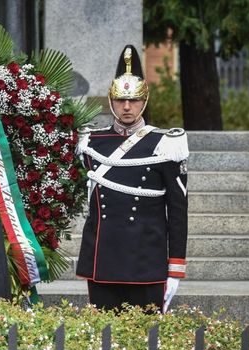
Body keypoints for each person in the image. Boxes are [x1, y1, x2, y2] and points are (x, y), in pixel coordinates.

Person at [75, 45, 189, 313]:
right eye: (120, 101)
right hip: (103, 258)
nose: (127, 107)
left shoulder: (165, 144)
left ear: (144, 101)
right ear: (111, 101)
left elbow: (177, 211)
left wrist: (175, 269)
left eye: (134, 100)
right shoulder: (91, 142)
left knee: (146, 343)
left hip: (146, 261)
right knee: (104, 339)